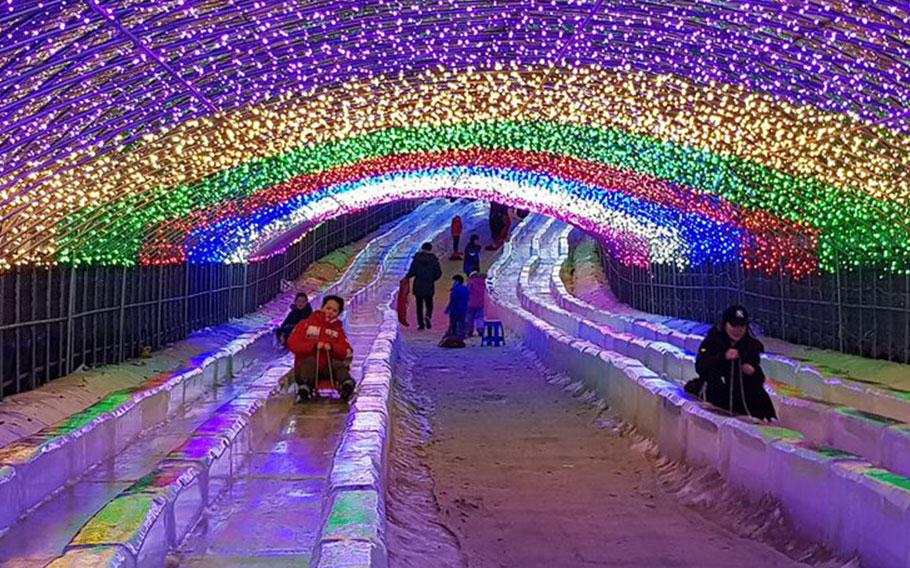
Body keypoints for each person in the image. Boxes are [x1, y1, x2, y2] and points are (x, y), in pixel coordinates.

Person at [689, 305, 777, 421]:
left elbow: (760, 378)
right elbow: (701, 367)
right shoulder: (713, 341)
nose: (738, 331)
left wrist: (752, 371)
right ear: (725, 324)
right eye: (734, 326)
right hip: (719, 393)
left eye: (742, 327)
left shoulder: (752, 346)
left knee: (758, 398)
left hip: (744, 397)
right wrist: (723, 357)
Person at [287, 295, 355, 402]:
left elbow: (346, 350)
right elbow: (292, 343)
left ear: (338, 314)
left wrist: (332, 348)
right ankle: (305, 387)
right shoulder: (305, 325)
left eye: (334, 311)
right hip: (307, 367)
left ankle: (346, 383)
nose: (330, 312)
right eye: (328, 308)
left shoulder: (337, 331)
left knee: (338, 365)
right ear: (322, 308)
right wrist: (313, 346)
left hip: (328, 368)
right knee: (310, 362)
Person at [406, 242, 443, 330]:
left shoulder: (417, 259)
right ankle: (428, 315)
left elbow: (412, 271)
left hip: (418, 284)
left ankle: (421, 324)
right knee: (429, 304)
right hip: (429, 285)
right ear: (430, 249)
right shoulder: (433, 260)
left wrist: (406, 278)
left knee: (419, 306)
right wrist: (432, 279)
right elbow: (438, 273)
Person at [444, 274, 470, 340]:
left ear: (457, 281)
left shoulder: (455, 289)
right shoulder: (466, 289)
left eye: (453, 281)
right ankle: (461, 336)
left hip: (455, 309)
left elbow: (453, 299)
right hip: (464, 309)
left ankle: (453, 336)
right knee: (462, 323)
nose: (452, 282)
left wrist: (448, 309)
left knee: (453, 324)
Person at [466, 271, 486, 337]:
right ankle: (480, 329)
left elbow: (467, 291)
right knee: (480, 317)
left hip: (470, 303)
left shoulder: (470, 282)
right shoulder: (483, 282)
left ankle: (469, 330)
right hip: (481, 303)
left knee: (470, 318)